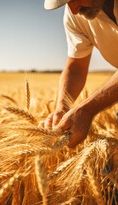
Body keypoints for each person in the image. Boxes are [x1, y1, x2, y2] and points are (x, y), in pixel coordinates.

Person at [43, 0, 118, 148]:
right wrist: (62, 107)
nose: (73, 9)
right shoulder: (74, 15)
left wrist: (87, 109)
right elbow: (76, 67)